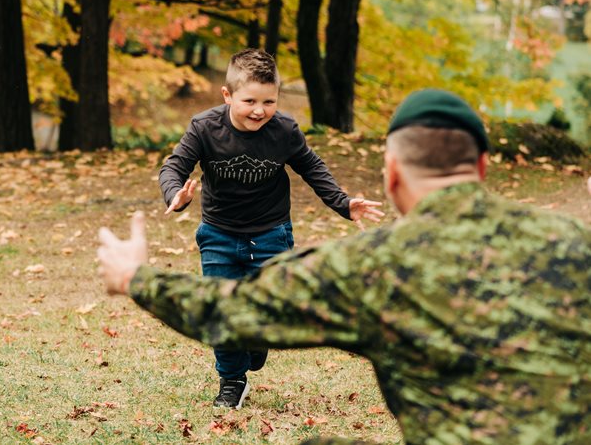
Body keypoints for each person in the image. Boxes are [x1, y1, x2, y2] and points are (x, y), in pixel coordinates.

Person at [98, 89, 591, 444]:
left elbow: (228, 313)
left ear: (393, 173)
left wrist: (135, 277)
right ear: (482, 168)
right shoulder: (572, 242)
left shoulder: (370, 265)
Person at [157, 48, 383, 408]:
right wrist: (175, 195)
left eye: (269, 101)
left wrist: (343, 203)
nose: (259, 110)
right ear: (227, 95)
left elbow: (312, 168)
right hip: (219, 232)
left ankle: (257, 336)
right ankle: (232, 380)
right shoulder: (205, 127)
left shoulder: (284, 131)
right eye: (249, 101)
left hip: (271, 232)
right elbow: (173, 168)